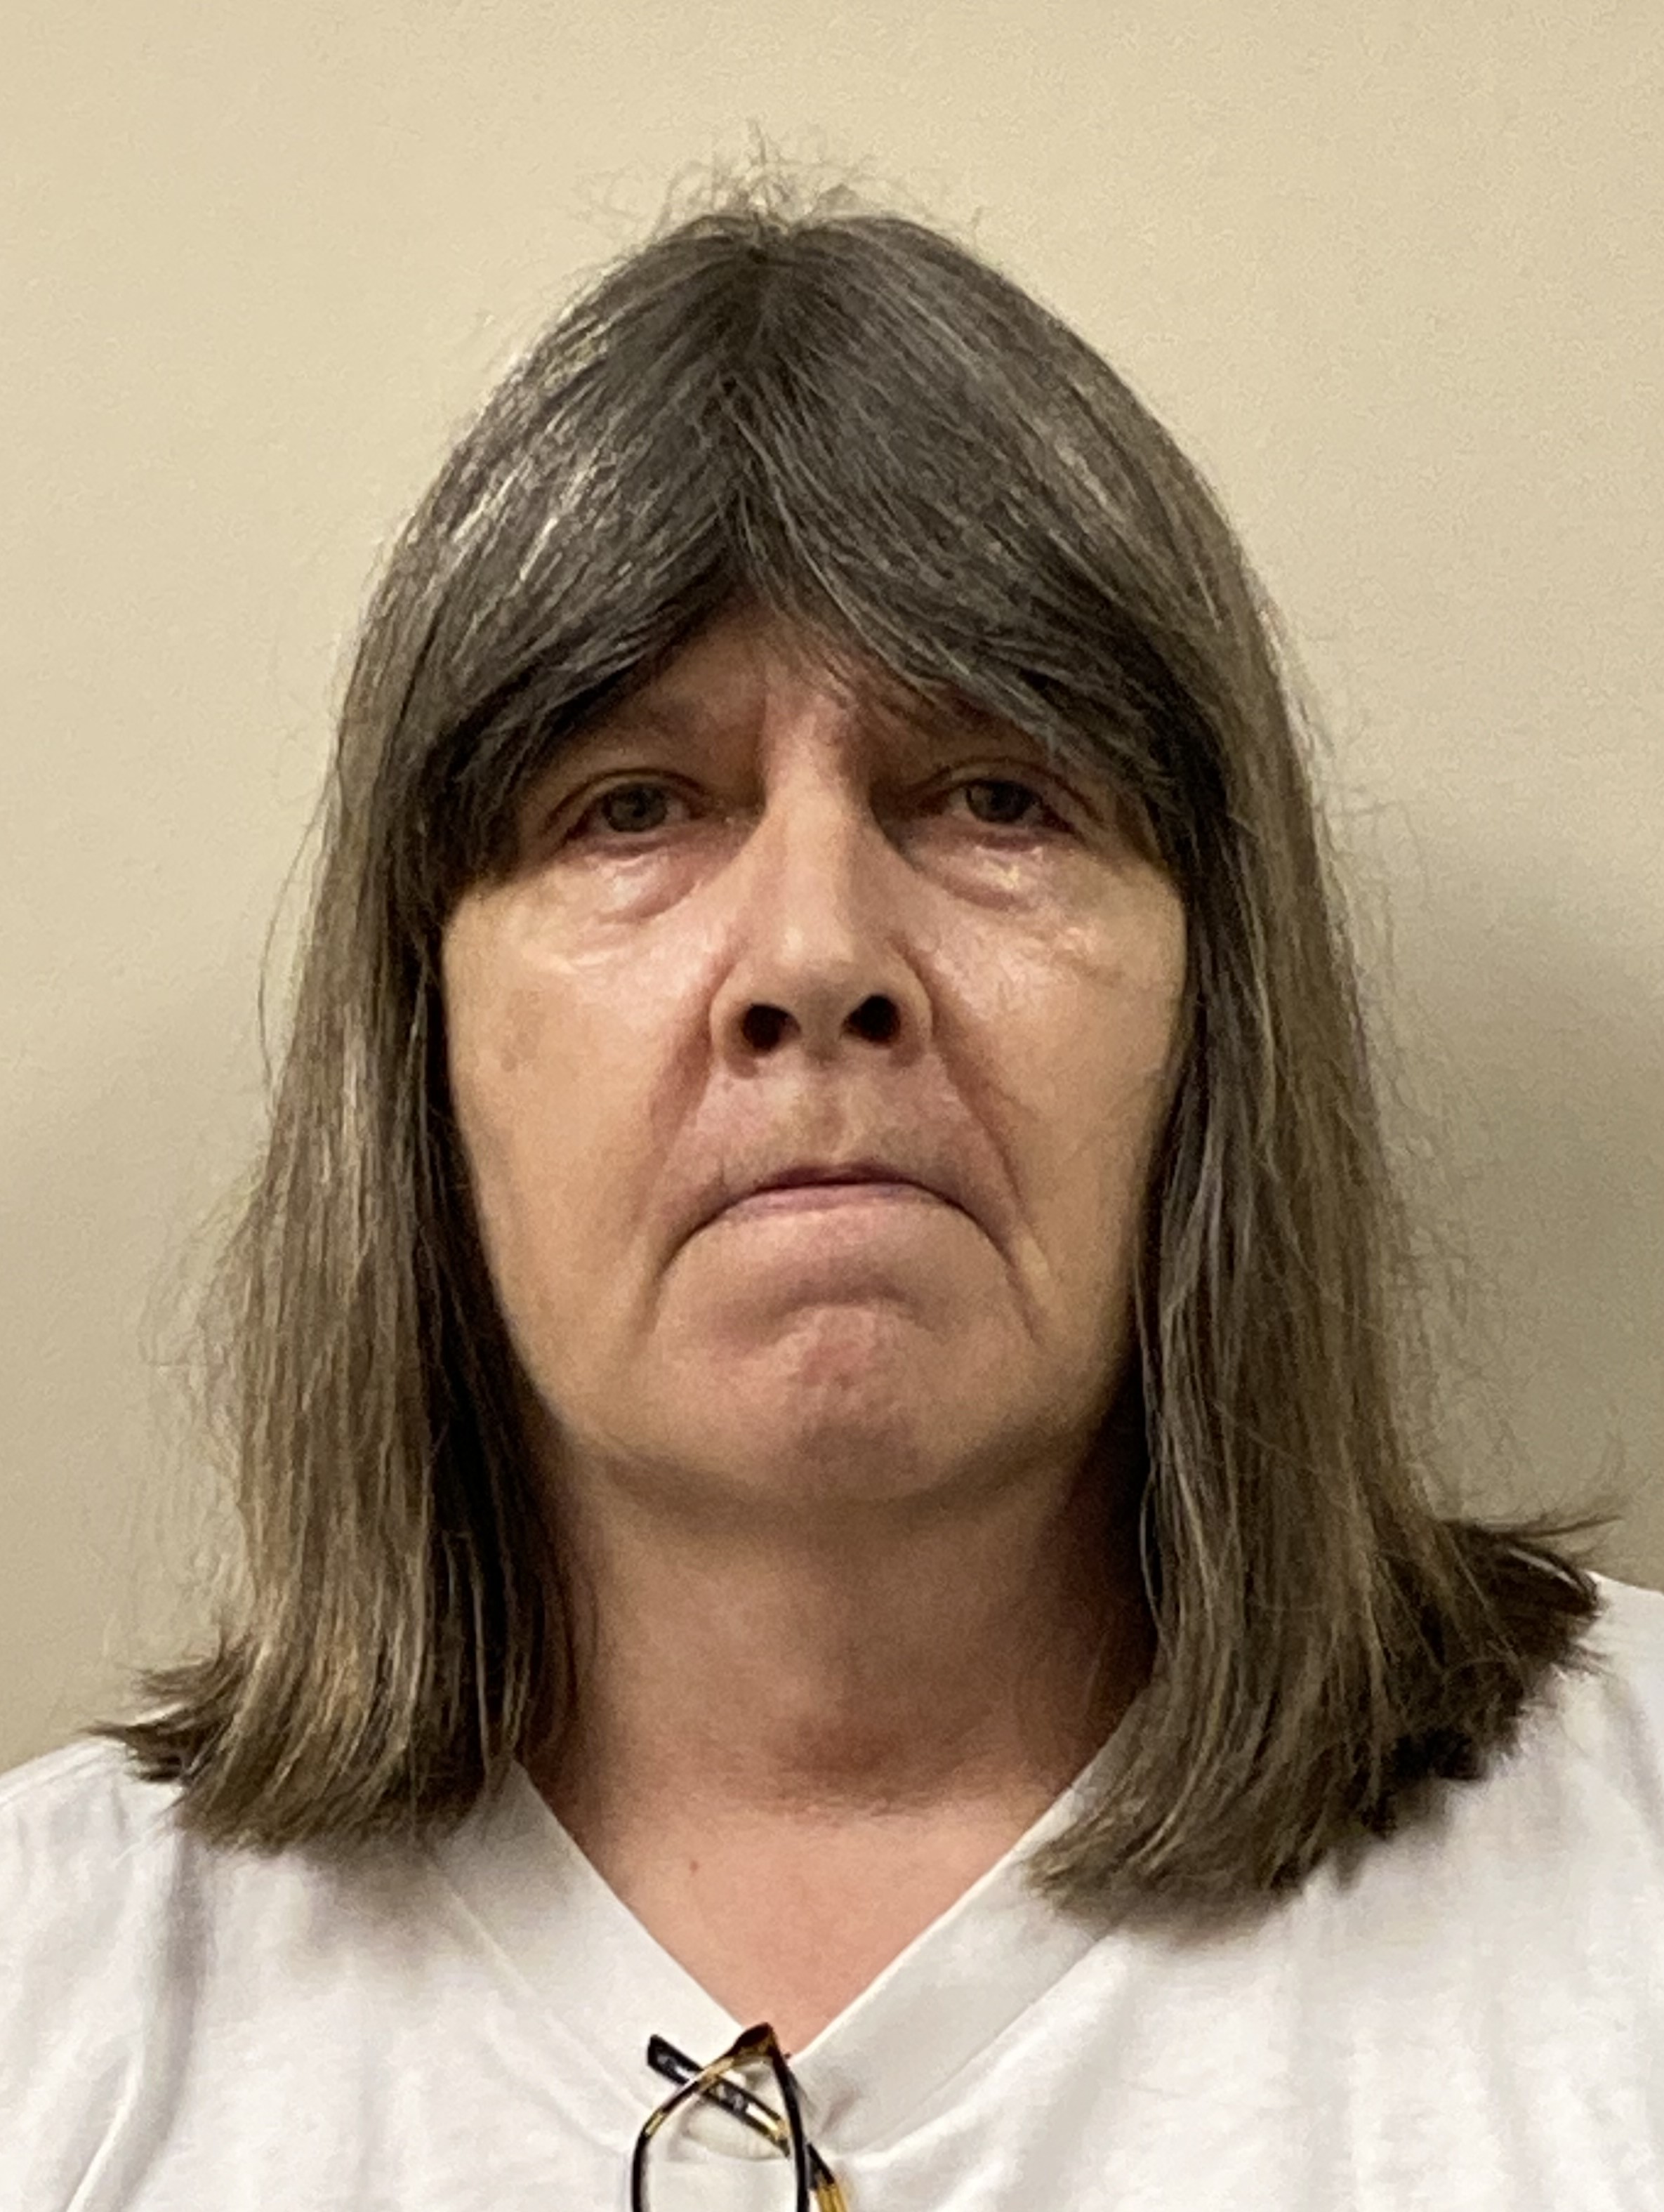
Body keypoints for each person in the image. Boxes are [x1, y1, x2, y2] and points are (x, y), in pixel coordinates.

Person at [3, 171, 1660, 2210]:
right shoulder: (52, 2022)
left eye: (996, 797)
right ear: (419, 1045)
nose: (813, 953)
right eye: (630, 808)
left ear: (1210, 1013)